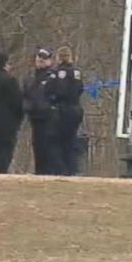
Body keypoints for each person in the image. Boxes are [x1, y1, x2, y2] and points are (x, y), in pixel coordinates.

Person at [45, 46, 84, 176]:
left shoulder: (56, 73)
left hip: (61, 109)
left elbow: (51, 90)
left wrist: (53, 100)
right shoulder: (76, 72)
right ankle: (72, 169)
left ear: (59, 58)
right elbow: (80, 89)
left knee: (57, 141)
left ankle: (60, 169)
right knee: (71, 139)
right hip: (75, 109)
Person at [22, 48, 59, 175]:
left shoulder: (53, 77)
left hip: (49, 117)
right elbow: (26, 95)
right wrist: (27, 107)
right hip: (35, 117)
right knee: (38, 146)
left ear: (50, 60)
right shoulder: (31, 78)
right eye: (39, 58)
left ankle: (48, 172)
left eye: (44, 58)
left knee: (48, 146)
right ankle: (40, 171)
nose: (40, 61)